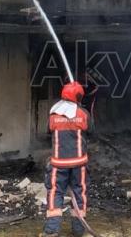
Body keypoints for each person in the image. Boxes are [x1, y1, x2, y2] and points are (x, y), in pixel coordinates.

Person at [41, 81, 91, 237]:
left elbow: (48, 132)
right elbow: (91, 131)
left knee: (55, 193)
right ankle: (78, 230)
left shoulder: (53, 115)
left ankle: (51, 231)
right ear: (79, 96)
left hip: (58, 164)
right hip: (79, 164)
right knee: (79, 193)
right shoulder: (84, 114)